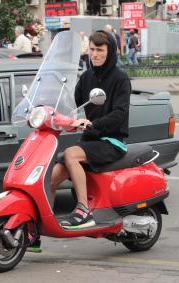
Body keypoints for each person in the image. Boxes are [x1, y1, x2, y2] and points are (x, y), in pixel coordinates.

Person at [51, 30, 131, 229]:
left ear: (109, 51)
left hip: (112, 142)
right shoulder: (86, 77)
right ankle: (39, 227)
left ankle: (83, 209)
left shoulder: (120, 79)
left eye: (100, 50)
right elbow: (72, 104)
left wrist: (94, 124)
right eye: (92, 49)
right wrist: (53, 113)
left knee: (70, 154)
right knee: (51, 178)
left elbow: (120, 113)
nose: (94, 54)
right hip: (91, 140)